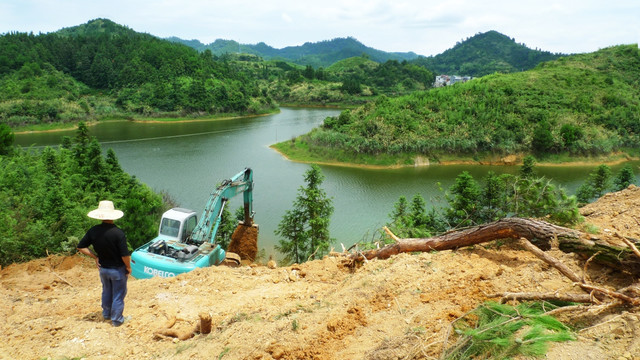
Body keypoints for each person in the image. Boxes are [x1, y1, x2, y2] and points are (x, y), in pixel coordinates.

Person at [77, 200, 131, 327]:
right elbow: (124, 255)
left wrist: (95, 257)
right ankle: (117, 320)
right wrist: (128, 267)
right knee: (118, 294)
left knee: (106, 290)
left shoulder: (93, 231)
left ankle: (106, 314)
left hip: (103, 269)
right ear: (113, 216)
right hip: (117, 270)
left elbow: (81, 247)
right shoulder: (118, 233)